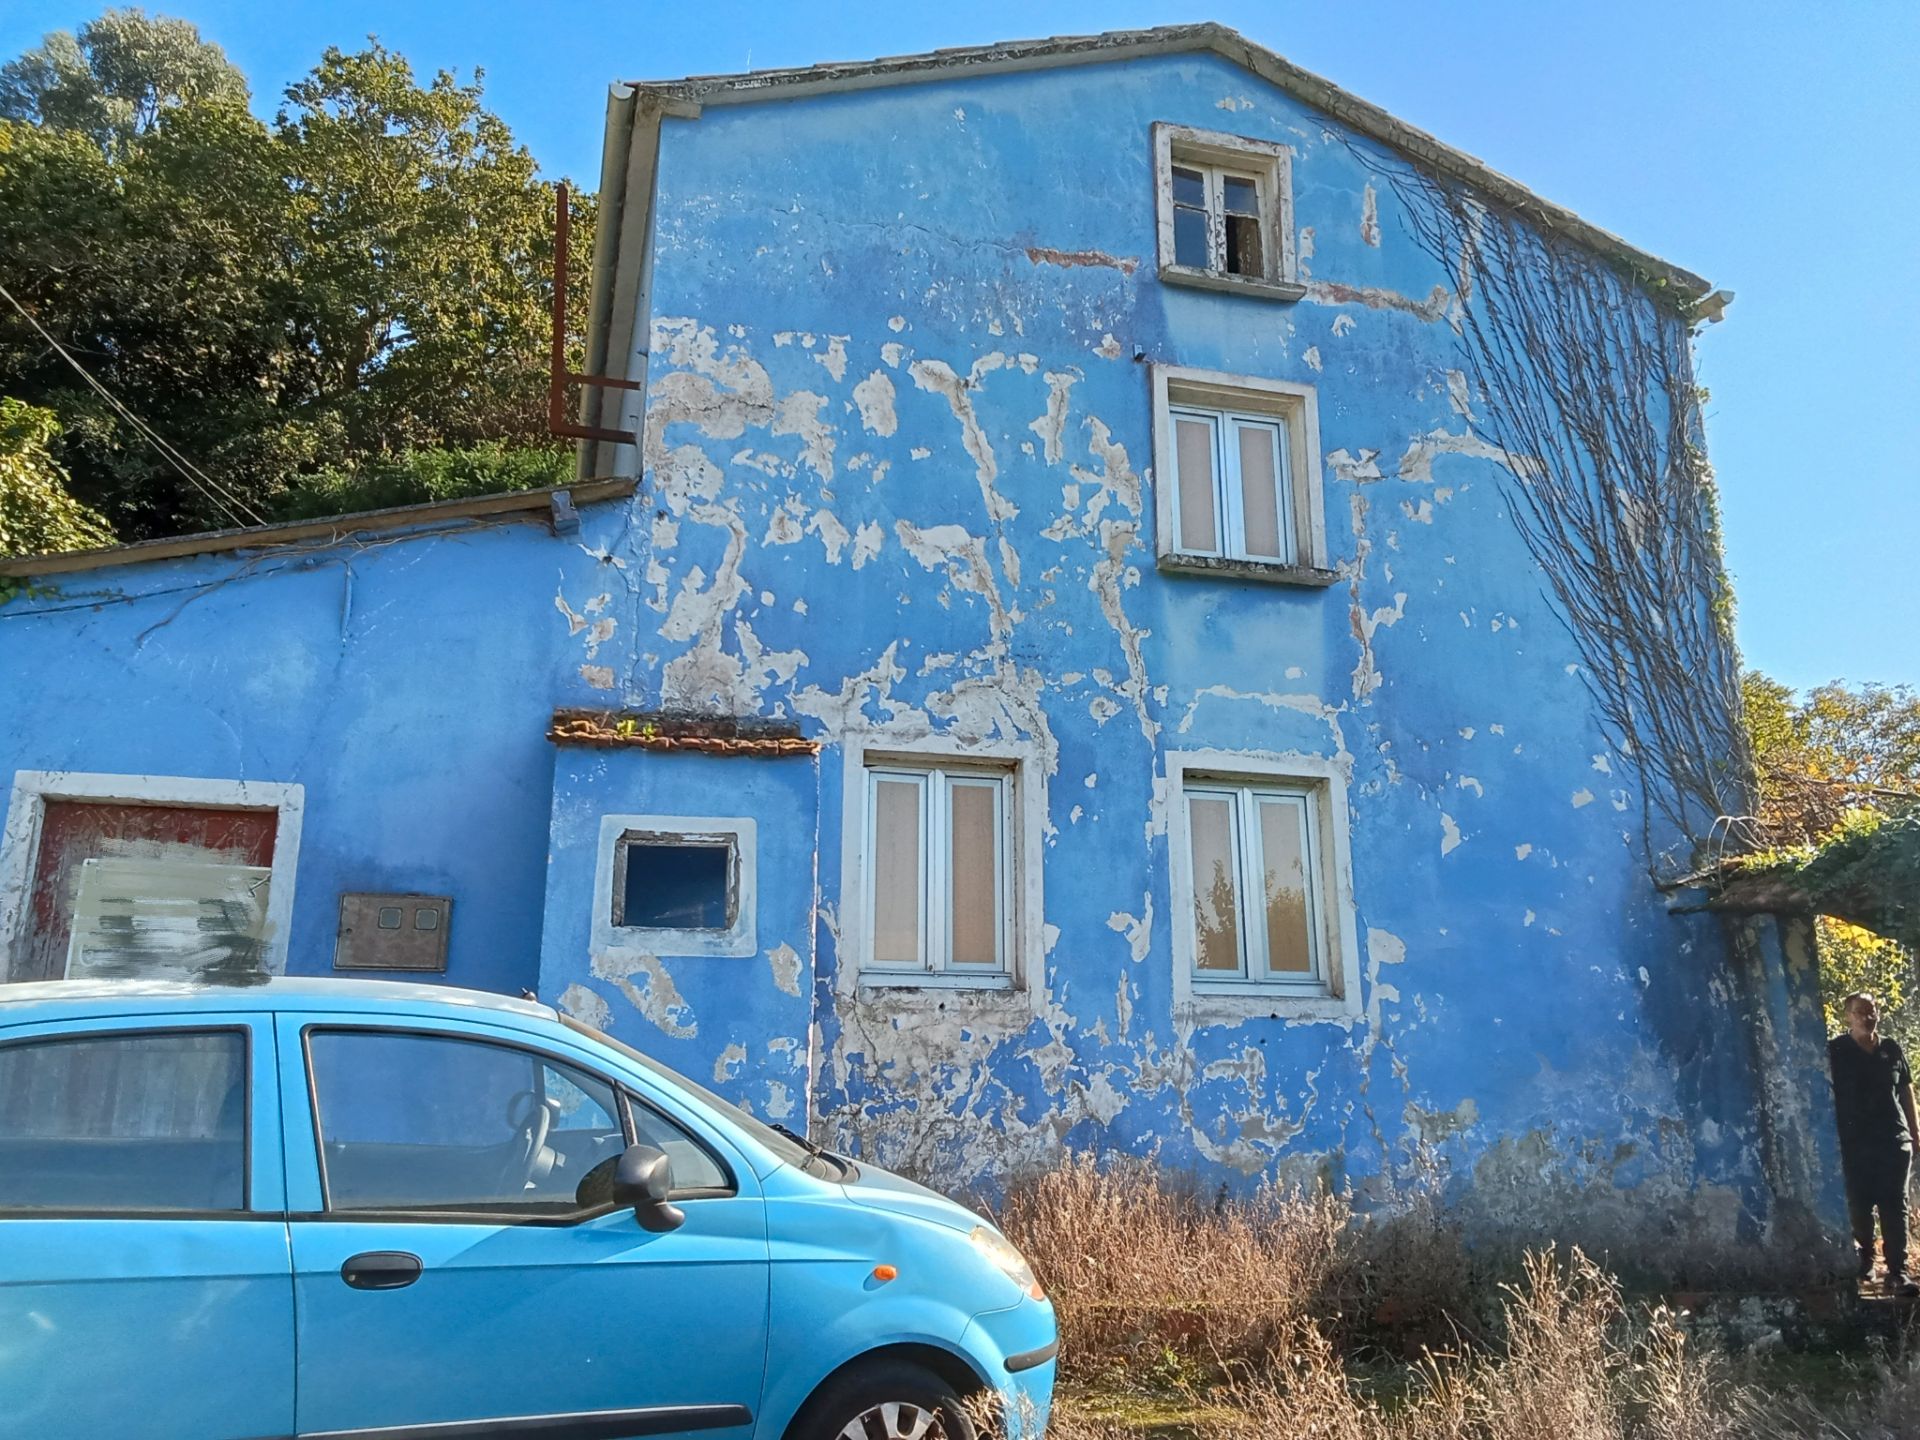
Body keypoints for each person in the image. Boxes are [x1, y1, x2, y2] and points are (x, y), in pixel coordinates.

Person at [1829, 993, 1920, 1297]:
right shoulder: (1836, 1050)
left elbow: (1905, 1090)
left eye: (1872, 1011)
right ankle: (1865, 1261)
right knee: (1859, 1203)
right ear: (1848, 1016)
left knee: (1895, 1205)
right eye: (1860, 1012)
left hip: (1893, 1140)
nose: (1868, 1017)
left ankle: (1898, 1272)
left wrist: (1915, 1133)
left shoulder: (1890, 1049)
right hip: (1854, 1142)